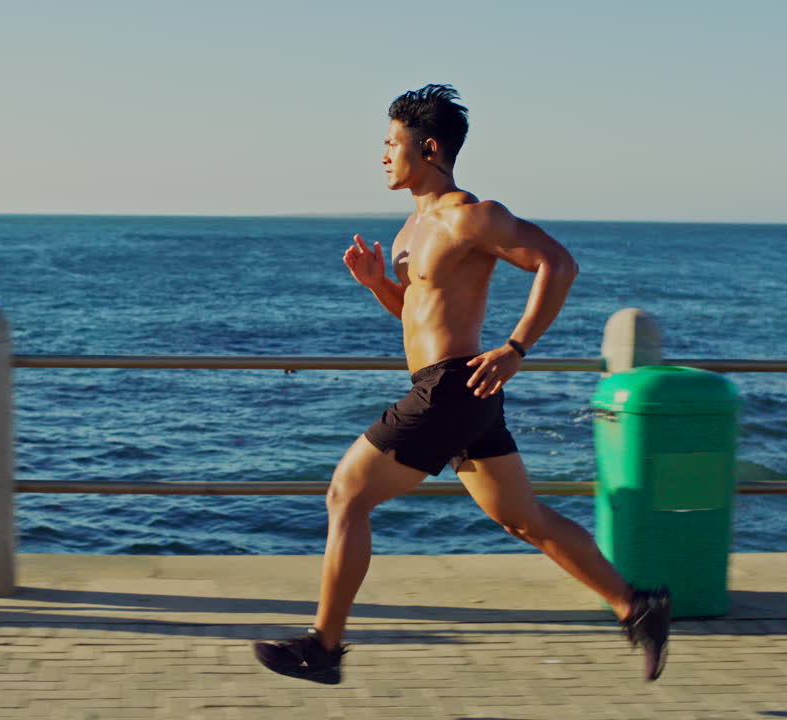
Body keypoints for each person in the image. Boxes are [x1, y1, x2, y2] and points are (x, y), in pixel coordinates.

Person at [253, 84, 670, 684]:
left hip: (451, 388)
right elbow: (420, 315)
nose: (382, 155)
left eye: (391, 143)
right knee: (523, 519)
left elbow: (559, 263)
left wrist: (516, 347)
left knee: (346, 495)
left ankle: (324, 645)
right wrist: (377, 284)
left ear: (428, 147)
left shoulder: (473, 216)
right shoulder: (408, 232)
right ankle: (637, 606)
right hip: (460, 391)